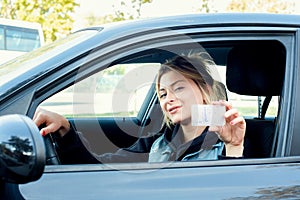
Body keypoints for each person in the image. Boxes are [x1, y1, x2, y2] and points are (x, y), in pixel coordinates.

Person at [34, 52, 246, 164]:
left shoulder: (231, 137)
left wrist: (234, 146)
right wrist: (65, 129)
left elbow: (237, 189)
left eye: (178, 88)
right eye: (162, 94)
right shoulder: (155, 142)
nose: (168, 99)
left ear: (204, 88)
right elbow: (104, 165)